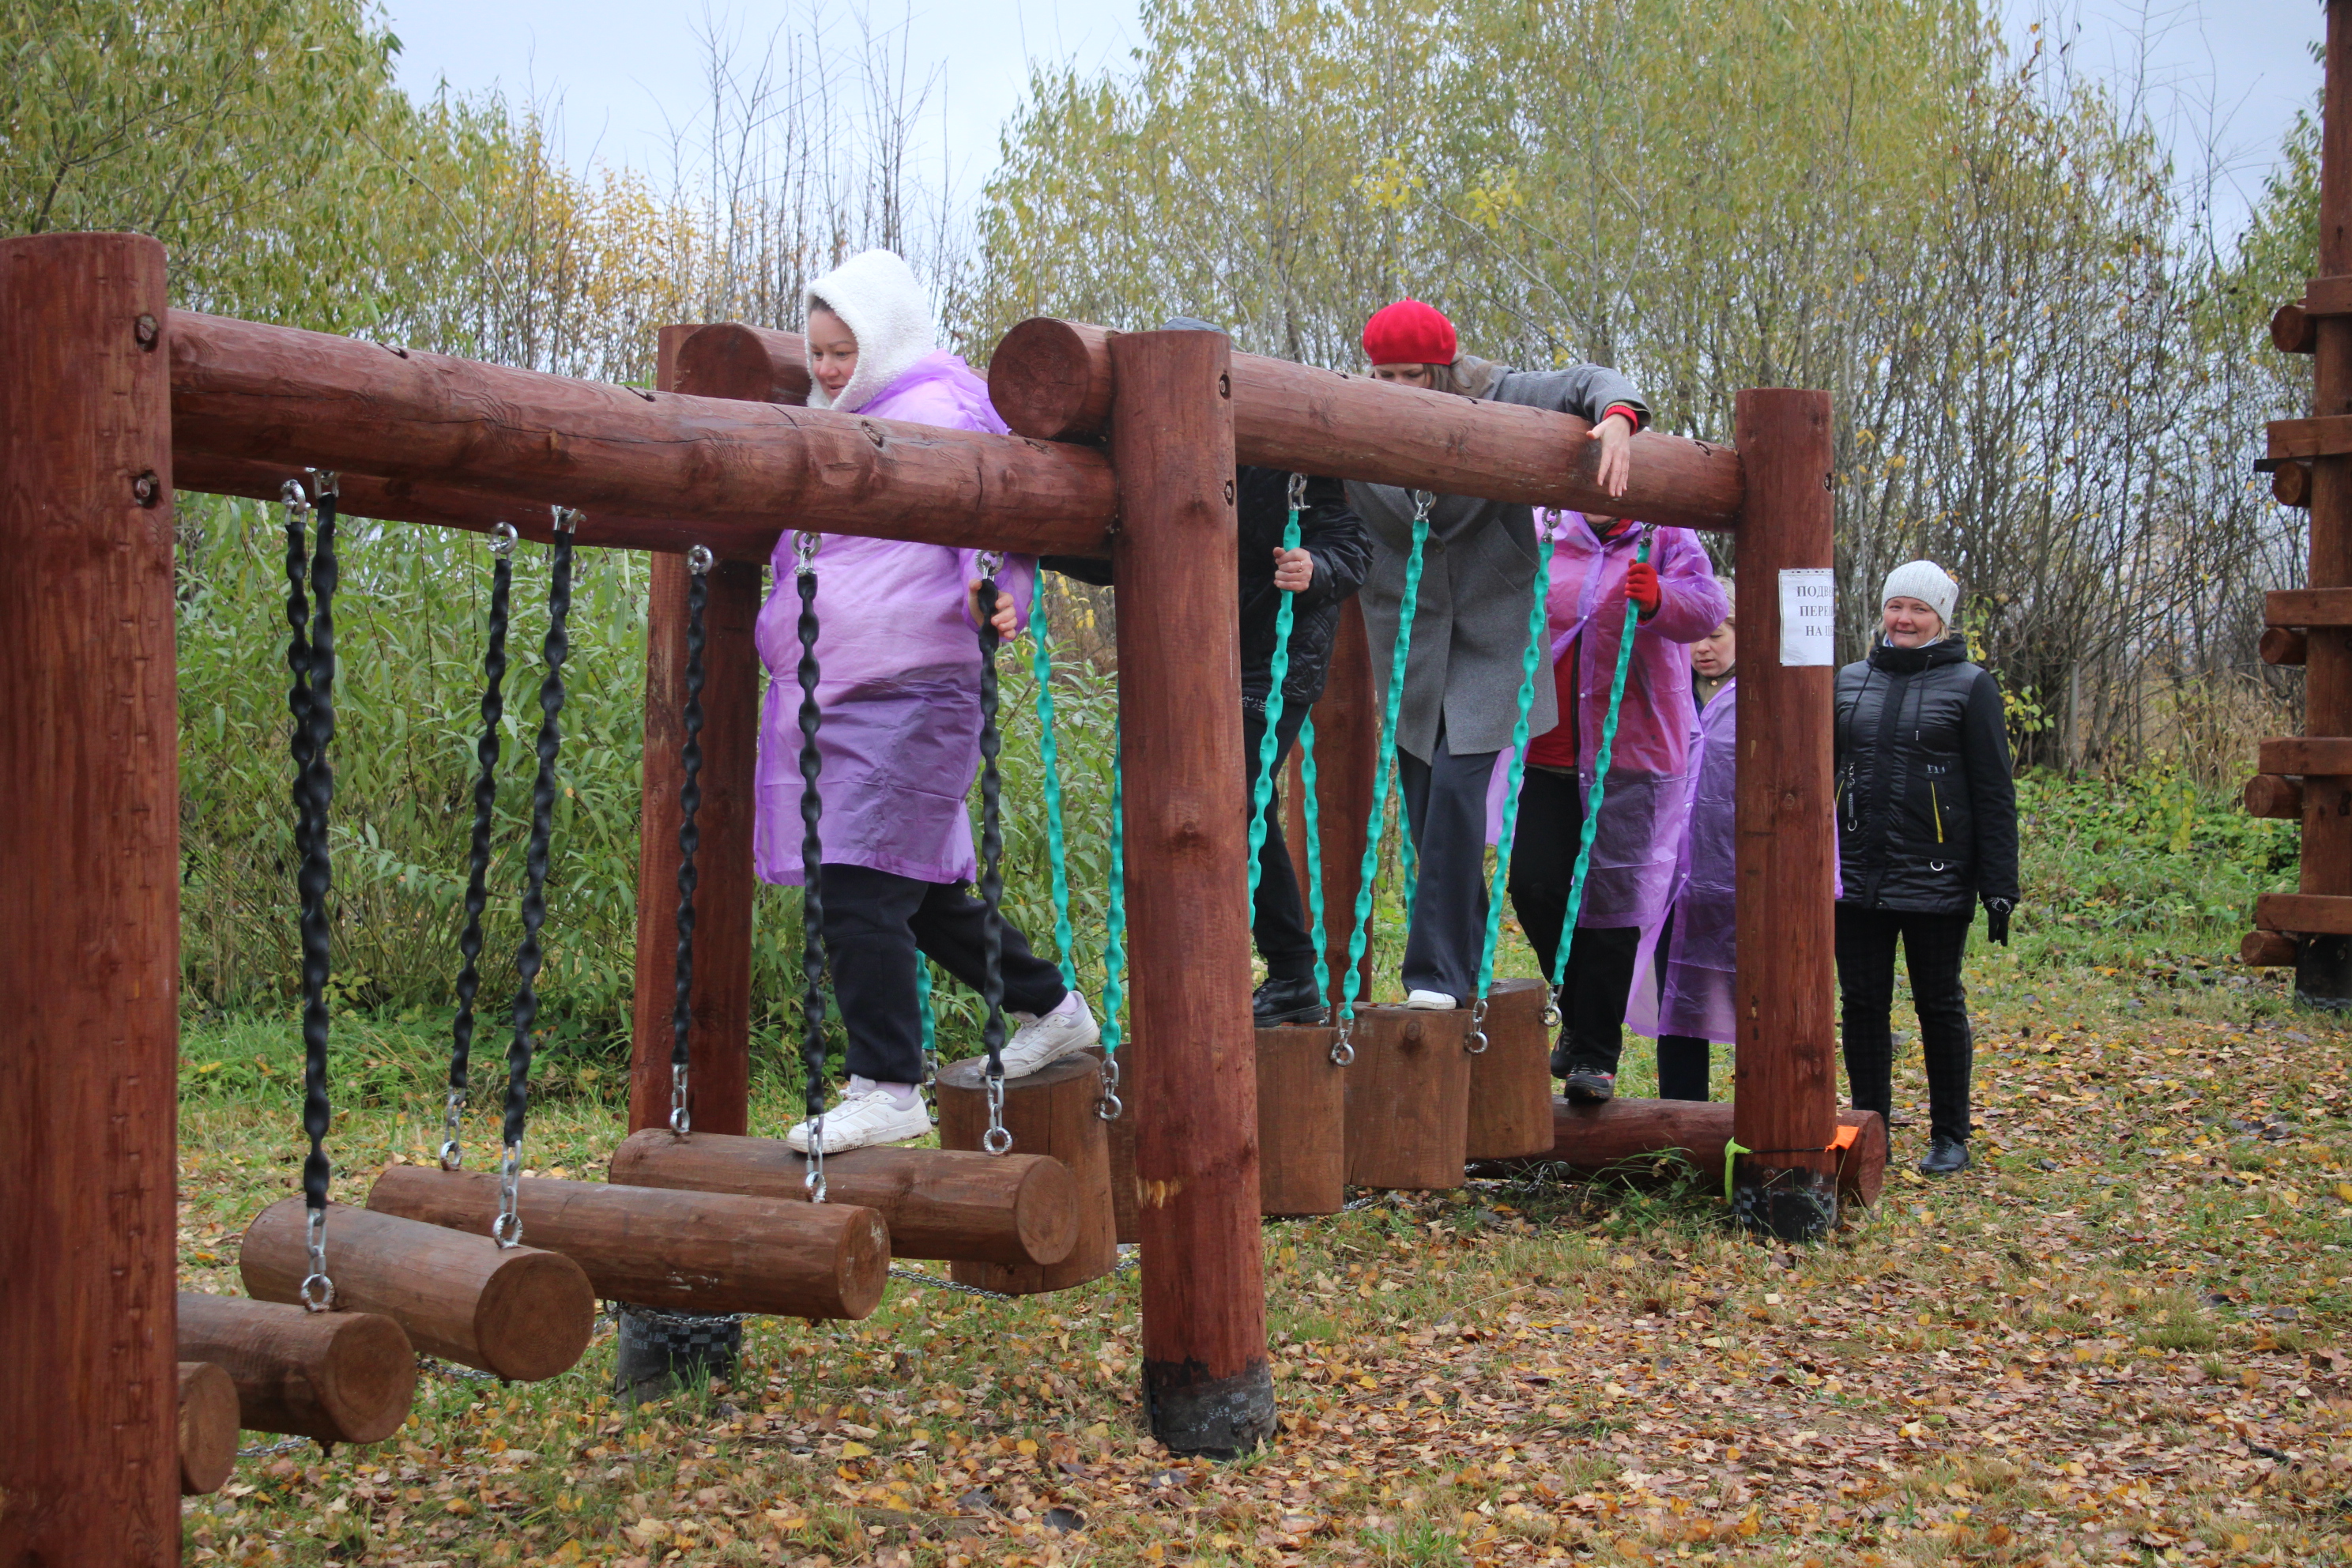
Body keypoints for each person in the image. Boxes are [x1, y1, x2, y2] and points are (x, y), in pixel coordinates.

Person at [753, 249, 1097, 1155]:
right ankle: (1053, 1008)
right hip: (846, 683)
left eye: (844, 350)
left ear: (887, 338)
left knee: (857, 880)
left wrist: (992, 592)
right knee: (922, 889)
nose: (829, 368)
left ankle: (887, 1084)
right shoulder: (841, 417)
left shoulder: (938, 409)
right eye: (818, 352)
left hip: (913, 682)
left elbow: (984, 517)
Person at [1042, 317, 1370, 1027]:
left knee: (1232, 798)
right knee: (1200, 806)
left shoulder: (1278, 453)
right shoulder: (1147, 453)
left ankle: (1292, 973)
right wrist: (1037, 538)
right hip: (1189, 655)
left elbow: (1349, 543)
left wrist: (1315, 567)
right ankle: (1231, 974)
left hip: (1275, 657)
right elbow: (1116, 553)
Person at [1348, 298, 1658, 1021]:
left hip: (1492, 636)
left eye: (1413, 376)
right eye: (1385, 376)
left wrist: (1618, 416)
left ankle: (1435, 971)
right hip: (1410, 640)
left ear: (1445, 369)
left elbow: (1587, 381)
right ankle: (1470, 966)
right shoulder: (1353, 408)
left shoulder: (1497, 393)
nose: (1398, 389)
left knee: (1458, 790)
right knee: (1426, 806)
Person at [1510, 514, 1724, 1102]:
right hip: (1549, 751)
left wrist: (1661, 600)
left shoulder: (1667, 533)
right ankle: (1578, 1015)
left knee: (1612, 904)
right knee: (1535, 886)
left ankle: (1596, 1056)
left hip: (1634, 754)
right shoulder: (1547, 527)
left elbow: (1707, 607)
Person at [1834, 560, 2018, 1177]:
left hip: (1937, 875)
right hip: (1856, 873)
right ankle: (1871, 1130)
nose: (1905, 619)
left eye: (1919, 609)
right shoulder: (1849, 681)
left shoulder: (1971, 686)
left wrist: (1999, 885)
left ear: (1942, 618)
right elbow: (1821, 774)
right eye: (1896, 606)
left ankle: (1950, 1136)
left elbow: (1994, 791)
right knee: (1862, 1004)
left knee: (1938, 1003)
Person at [1626, 585, 1737, 1101]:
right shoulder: (1671, 692)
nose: (1702, 649)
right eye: (1692, 639)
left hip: (1739, 880)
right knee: (1678, 1003)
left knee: (1752, 1004)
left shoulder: (1765, 696)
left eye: (1715, 635)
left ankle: (1763, 1123)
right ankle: (1680, 1119)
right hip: (1674, 881)